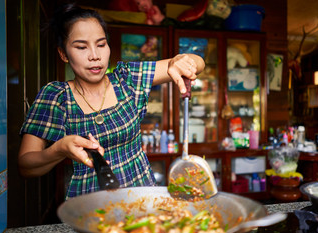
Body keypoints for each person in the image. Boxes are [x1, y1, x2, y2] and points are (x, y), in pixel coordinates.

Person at [18, 3, 205, 200]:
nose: (95, 56)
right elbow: (26, 166)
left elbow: (198, 62)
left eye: (101, 44)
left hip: (143, 200)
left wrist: (180, 60)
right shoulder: (56, 96)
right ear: (63, 54)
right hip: (89, 209)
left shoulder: (129, 80)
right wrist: (59, 149)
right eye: (81, 47)